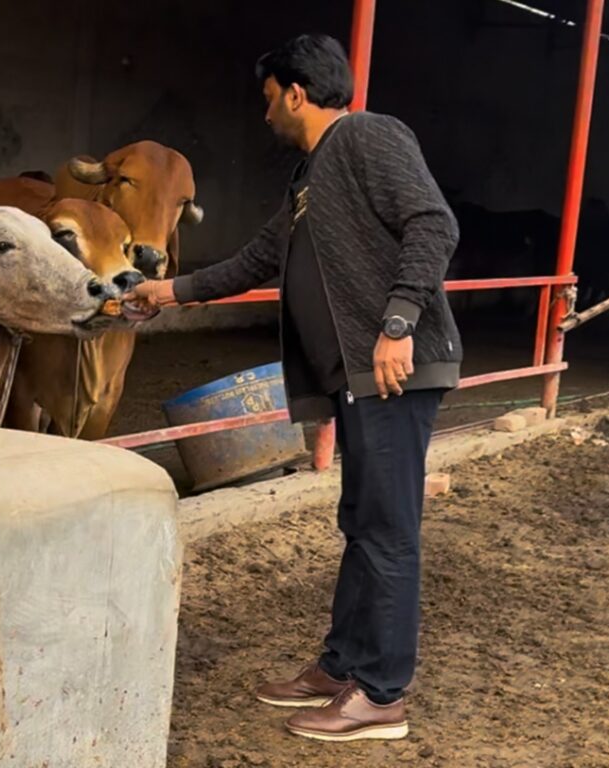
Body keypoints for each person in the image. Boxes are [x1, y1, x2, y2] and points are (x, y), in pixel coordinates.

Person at [124, 33, 462, 743]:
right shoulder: (311, 177)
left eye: (269, 98)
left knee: (388, 532)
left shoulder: (370, 136)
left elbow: (433, 224)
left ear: (297, 93)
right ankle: (342, 666)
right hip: (357, 375)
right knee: (362, 524)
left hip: (393, 368)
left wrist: (398, 322)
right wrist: (170, 292)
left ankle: (381, 695)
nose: (265, 112)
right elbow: (254, 260)